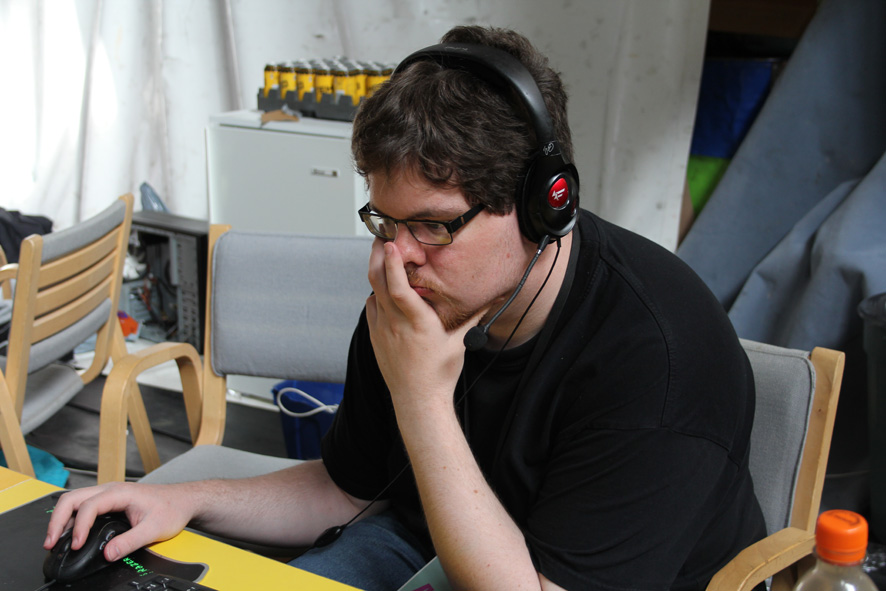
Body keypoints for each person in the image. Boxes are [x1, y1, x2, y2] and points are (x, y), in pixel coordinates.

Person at [45, 25, 766, 591]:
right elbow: (345, 490)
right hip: (429, 539)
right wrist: (186, 499)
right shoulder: (418, 293)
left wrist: (422, 394)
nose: (395, 258)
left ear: (542, 206)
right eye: (384, 222)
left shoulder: (659, 359)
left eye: (432, 225)